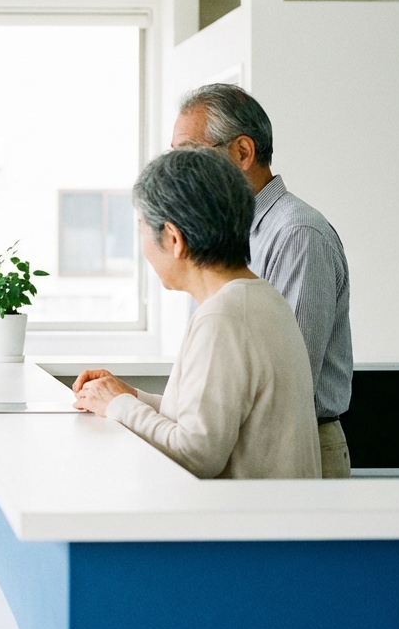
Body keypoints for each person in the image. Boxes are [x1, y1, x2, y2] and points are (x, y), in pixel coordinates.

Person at [73, 149, 320, 479]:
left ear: (174, 239)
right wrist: (129, 396)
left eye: (142, 228)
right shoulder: (261, 299)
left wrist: (118, 405)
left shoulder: (223, 318)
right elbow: (207, 419)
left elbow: (196, 453)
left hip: (248, 513)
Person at [170, 84, 354, 478]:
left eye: (189, 154)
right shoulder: (223, 234)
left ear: (242, 152)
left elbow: (290, 381)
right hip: (245, 440)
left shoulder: (297, 234)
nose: (180, 172)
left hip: (297, 446)